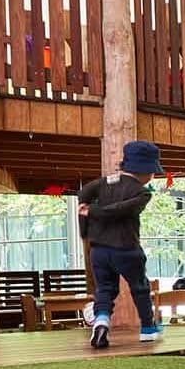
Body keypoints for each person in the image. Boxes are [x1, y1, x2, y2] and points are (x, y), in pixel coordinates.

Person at [77, 141, 163, 348]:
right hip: (126, 248)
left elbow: (83, 195)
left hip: (98, 250)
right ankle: (148, 328)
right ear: (144, 171)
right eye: (152, 171)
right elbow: (123, 209)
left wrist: (86, 229)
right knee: (139, 287)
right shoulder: (142, 193)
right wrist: (96, 211)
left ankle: (101, 323)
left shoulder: (104, 182)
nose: (153, 175)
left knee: (104, 289)